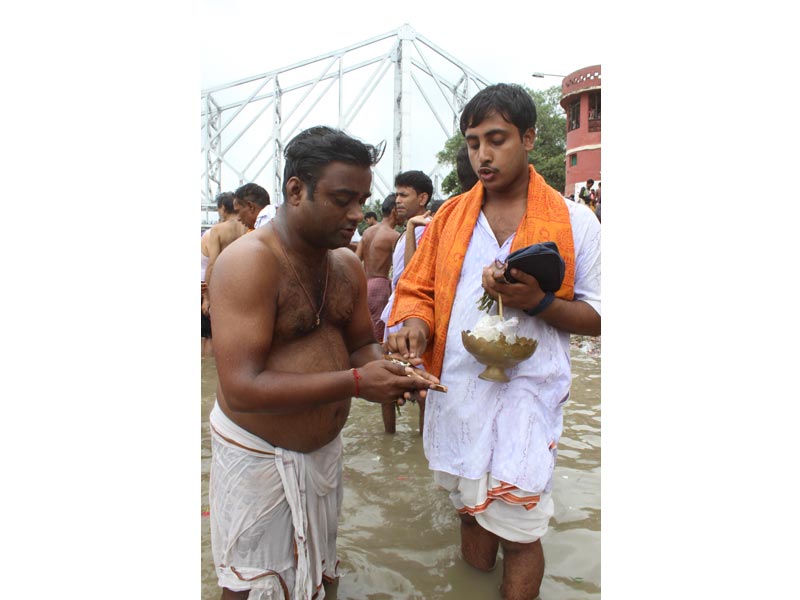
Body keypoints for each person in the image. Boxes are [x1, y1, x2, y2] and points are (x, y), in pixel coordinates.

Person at [386, 83, 601, 600]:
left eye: (497, 139)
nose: (482, 154)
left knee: (523, 533)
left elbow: (600, 316)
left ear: (529, 138)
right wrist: (414, 324)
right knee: (469, 513)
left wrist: (539, 303)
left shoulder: (575, 221)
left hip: (530, 399)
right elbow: (415, 289)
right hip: (458, 394)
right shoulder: (448, 220)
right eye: (473, 141)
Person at [207, 126, 439, 600]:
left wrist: (395, 371)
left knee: (320, 573)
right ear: (296, 190)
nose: (358, 214)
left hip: (322, 453)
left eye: (363, 199)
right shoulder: (249, 263)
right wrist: (356, 383)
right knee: (253, 586)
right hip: (257, 453)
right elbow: (240, 387)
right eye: (342, 199)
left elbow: (360, 346)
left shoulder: (345, 265)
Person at [378, 170, 433, 434]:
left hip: (413, 313)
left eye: (404, 194)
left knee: (420, 385)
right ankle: (389, 439)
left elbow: (414, 274)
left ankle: (422, 447)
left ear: (422, 198)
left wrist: (412, 228)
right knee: (389, 378)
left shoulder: (426, 228)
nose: (397, 200)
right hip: (395, 310)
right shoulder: (403, 233)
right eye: (397, 194)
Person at [201, 191, 248, 337]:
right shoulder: (246, 227)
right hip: (243, 284)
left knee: (216, 334)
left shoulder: (218, 230)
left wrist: (207, 298)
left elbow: (212, 263)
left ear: (222, 207)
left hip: (222, 284)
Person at [355, 194, 400, 342]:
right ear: (394, 211)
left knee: (363, 329)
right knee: (377, 336)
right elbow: (400, 265)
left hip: (364, 284)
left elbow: (356, 259)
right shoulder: (394, 236)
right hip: (380, 286)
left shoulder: (368, 232)